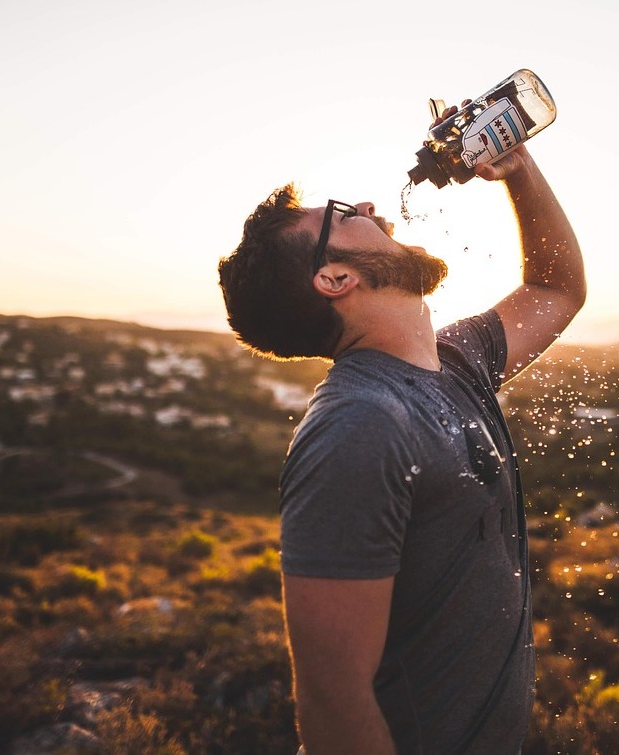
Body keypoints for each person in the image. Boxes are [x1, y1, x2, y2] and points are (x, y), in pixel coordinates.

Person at [217, 104, 586, 755]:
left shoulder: (455, 362)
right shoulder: (357, 427)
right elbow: (333, 700)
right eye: (345, 213)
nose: (368, 204)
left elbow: (555, 287)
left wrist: (518, 169)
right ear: (335, 278)